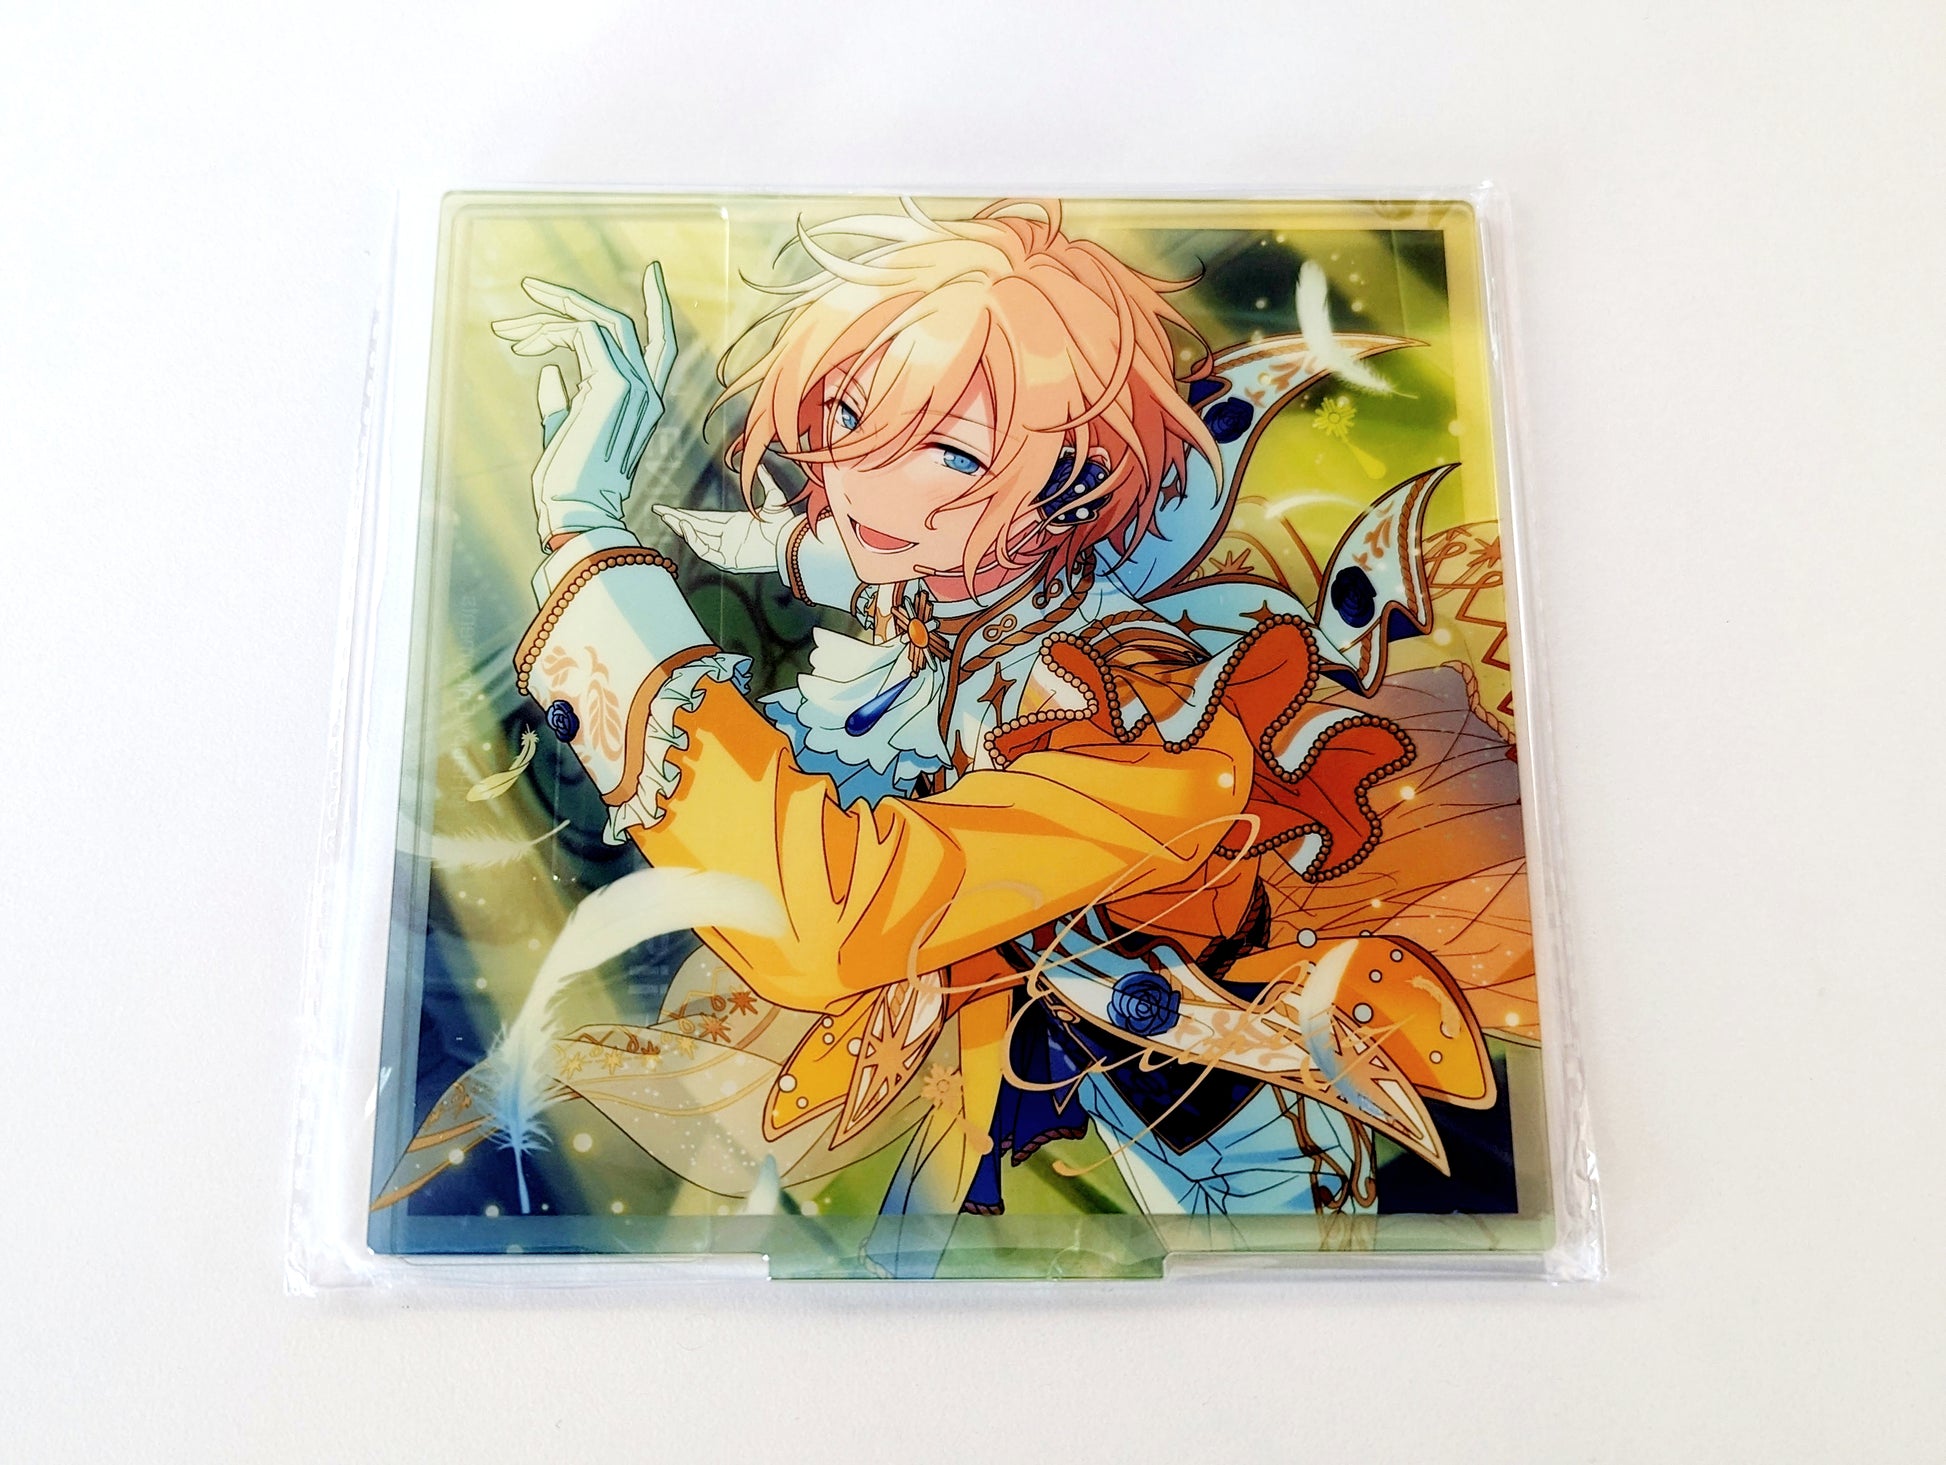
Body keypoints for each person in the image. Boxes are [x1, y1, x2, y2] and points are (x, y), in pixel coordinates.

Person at [484, 198, 1494, 1266]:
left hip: (1232, 1152)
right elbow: (839, 556)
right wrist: (704, 537)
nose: (863, 481)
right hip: (993, 1068)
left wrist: (588, 539)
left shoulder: (1140, 716)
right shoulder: (952, 586)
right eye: (849, 416)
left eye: (955, 456)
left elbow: (823, 917)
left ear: (1072, 484)